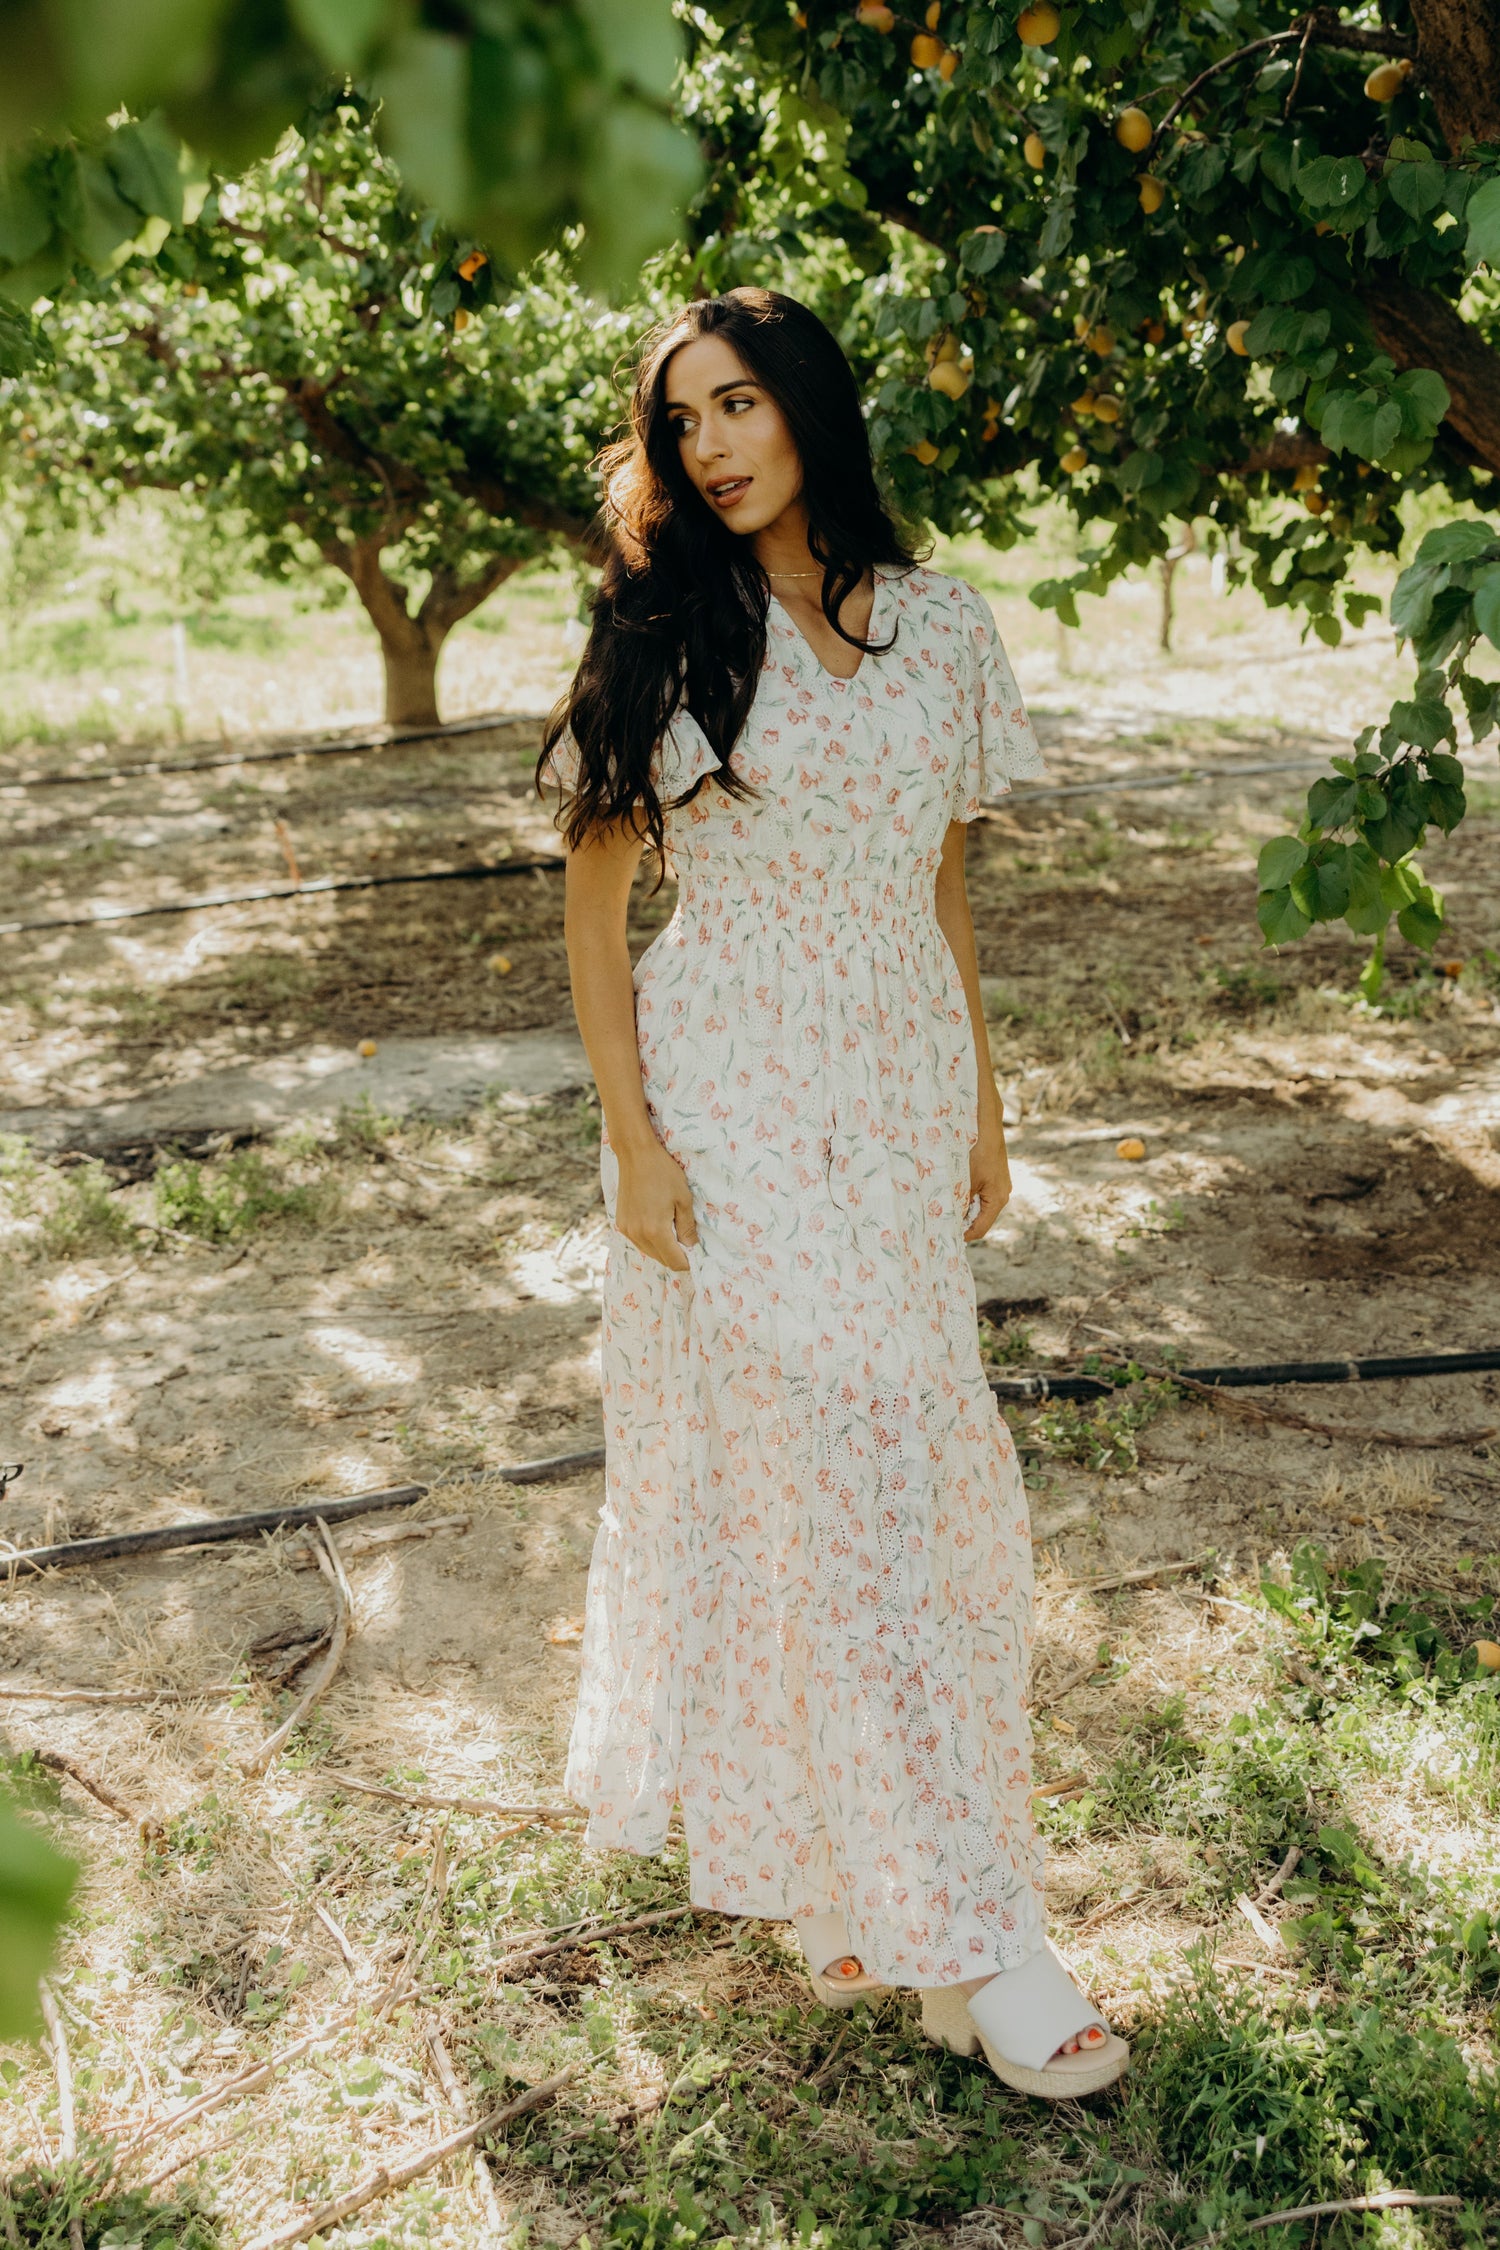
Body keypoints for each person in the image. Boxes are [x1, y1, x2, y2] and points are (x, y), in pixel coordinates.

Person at [537, 286, 1129, 2099]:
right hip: (728, 1098)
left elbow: (941, 882)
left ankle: (888, 1890)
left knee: (913, 1487)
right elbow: (594, 909)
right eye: (681, 419)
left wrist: (984, 1096)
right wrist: (636, 1139)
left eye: (738, 403)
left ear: (808, 403)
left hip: (895, 1091)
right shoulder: (671, 631)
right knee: (839, 1482)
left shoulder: (945, 628)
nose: (710, 445)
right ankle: (984, 1932)